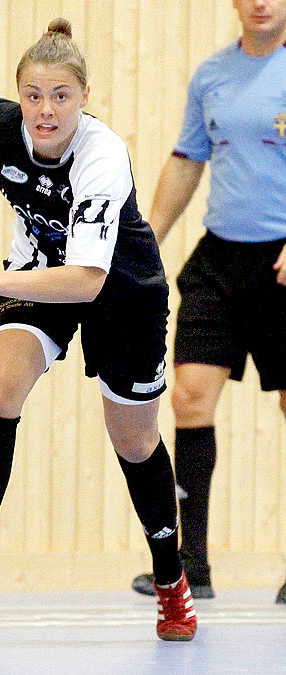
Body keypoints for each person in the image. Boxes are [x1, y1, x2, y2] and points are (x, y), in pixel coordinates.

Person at [0, 18, 196, 642]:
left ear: (84, 98)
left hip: (121, 290)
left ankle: (172, 581)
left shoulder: (101, 156)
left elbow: (89, 280)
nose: (45, 111)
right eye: (34, 96)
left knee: (134, 443)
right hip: (39, 273)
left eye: (61, 96)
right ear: (20, 95)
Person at [131, 0, 286, 604]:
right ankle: (189, 567)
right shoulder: (212, 75)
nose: (261, 3)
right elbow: (186, 159)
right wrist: (146, 242)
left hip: (281, 266)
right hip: (220, 260)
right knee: (189, 396)